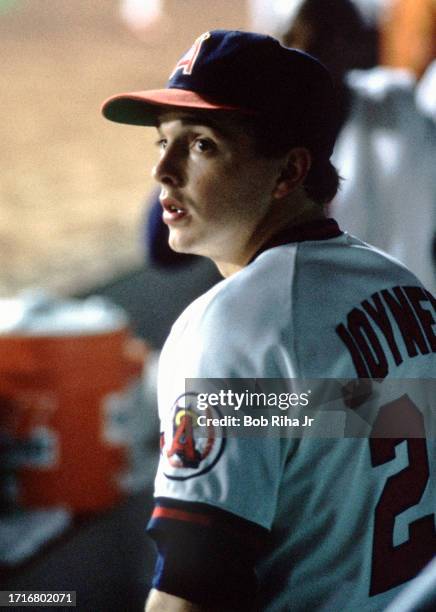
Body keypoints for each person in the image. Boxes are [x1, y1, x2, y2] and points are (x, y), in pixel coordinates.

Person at [102, 30, 436, 612]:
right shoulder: (403, 289)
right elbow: (321, 420)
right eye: (162, 141)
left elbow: (193, 588)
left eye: (201, 144)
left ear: (287, 173)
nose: (163, 170)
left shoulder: (228, 328)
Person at [282, 0, 436, 294]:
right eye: (296, 37)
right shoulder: (270, 130)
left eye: (326, 37)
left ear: (354, 44)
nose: (308, 48)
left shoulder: (394, 104)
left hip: (408, 299)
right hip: (326, 305)